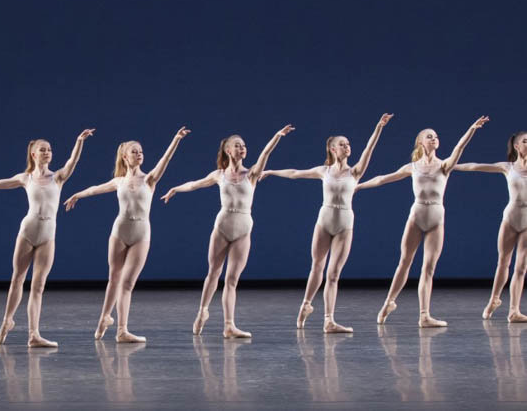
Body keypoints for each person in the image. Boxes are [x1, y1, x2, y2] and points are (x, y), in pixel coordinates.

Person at [0, 129, 95, 347]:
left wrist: (79, 141)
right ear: (33, 154)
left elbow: (73, 160)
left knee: (38, 286)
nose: (47, 153)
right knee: (17, 278)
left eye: (49, 150)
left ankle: (33, 334)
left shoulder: (58, 177)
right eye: (42, 150)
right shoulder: (25, 178)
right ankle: (7, 320)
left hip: (48, 236)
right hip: (28, 232)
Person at [162, 125, 294, 338]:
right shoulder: (219, 175)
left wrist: (277, 136)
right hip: (222, 226)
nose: (242, 148)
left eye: (244, 146)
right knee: (213, 272)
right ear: (228, 151)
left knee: (232, 280)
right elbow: (195, 184)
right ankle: (202, 311)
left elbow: (265, 154)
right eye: (237, 146)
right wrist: (176, 189)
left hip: (243, 228)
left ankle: (229, 325)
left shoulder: (251, 174)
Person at [263, 114, 393, 332]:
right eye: (342, 144)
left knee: (333, 274)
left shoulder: (356, 171)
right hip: (324, 221)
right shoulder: (323, 171)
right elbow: (295, 173)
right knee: (317, 267)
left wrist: (379, 126)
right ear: (333, 149)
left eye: (348, 144)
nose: (347, 146)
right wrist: (271, 171)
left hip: (345, 224)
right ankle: (305, 305)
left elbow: (369, 150)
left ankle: (328, 320)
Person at [358, 116, 489, 327]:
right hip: (416, 216)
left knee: (428, 268)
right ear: (421, 142)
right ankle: (388, 303)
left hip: (436, 219)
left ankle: (424, 315)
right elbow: (383, 178)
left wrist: (472, 128)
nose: (434, 139)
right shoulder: (412, 167)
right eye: (430, 137)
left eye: (436, 137)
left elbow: (459, 147)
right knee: (404, 262)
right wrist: (358, 187)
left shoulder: (444, 165)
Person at [64, 127, 189, 342]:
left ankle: (122, 330)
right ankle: (104, 317)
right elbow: (96, 188)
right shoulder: (119, 181)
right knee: (114, 279)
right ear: (125, 156)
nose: (139, 154)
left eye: (140, 151)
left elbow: (164, 161)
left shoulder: (149, 179)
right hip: (119, 231)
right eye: (134, 152)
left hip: (141, 233)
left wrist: (176, 140)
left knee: (128, 283)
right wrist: (78, 194)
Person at [454, 130, 527, 322]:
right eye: (525, 141)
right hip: (510, 219)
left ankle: (514, 310)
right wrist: (451, 165)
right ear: (517, 146)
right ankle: (494, 299)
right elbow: (476, 166)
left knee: (521, 268)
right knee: (503, 263)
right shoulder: (508, 167)